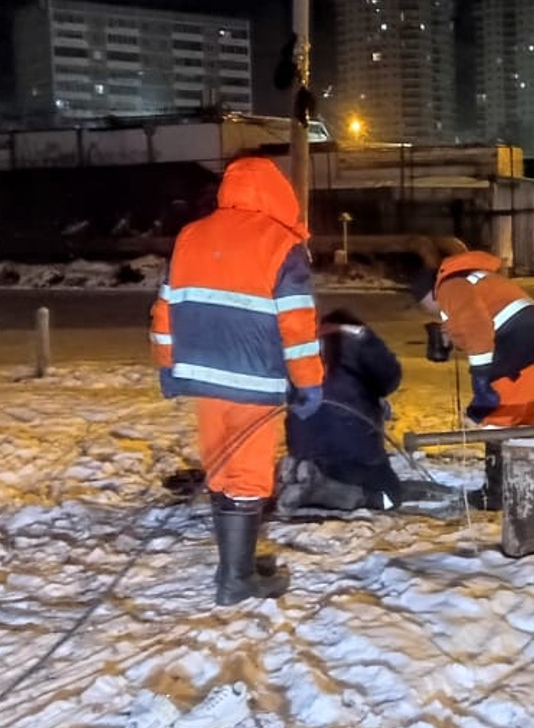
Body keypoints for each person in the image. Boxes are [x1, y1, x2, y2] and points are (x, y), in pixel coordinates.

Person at [150, 156, 323, 607]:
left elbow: (165, 309)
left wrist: (167, 366)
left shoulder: (191, 236)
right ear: (279, 195)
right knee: (248, 475)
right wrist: (309, 382)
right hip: (254, 378)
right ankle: (236, 580)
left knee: (222, 468)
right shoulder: (281, 244)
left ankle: (235, 565)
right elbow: (298, 327)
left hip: (203, 379)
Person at [411, 250, 534, 427]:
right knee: (522, 420)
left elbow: (477, 328)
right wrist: (454, 336)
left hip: (516, 347)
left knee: (499, 420)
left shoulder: (448, 287)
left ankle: (498, 452)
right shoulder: (468, 280)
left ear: (430, 294)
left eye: (423, 305)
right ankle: (521, 452)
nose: (427, 311)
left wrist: (480, 382)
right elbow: (481, 319)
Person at [280, 308, 405, 513]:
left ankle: (302, 476)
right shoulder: (361, 340)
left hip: (303, 447)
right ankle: (333, 492)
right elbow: (390, 379)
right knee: (390, 497)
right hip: (355, 453)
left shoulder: (303, 346)